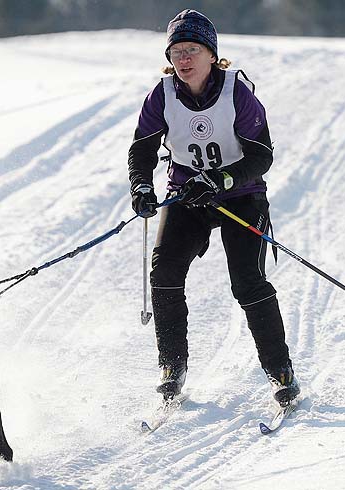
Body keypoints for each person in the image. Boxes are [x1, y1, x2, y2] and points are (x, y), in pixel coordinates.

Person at [127, 9, 299, 407]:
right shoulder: (162, 94)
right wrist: (140, 185)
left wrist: (220, 179)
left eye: (191, 50)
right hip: (187, 195)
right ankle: (172, 366)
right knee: (165, 270)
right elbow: (142, 149)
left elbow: (261, 156)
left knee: (247, 281)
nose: (183, 60)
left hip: (240, 195)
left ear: (211, 53)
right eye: (176, 52)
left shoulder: (236, 92)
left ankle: (280, 370)